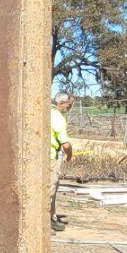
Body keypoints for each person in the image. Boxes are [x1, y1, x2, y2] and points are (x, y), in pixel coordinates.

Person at [50, 91, 73, 231]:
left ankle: (51, 217)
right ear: (61, 104)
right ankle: (46, 222)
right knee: (50, 189)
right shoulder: (58, 118)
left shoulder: (46, 113)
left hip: (42, 156)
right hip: (51, 158)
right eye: (69, 105)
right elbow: (65, 144)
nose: (69, 108)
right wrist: (70, 155)